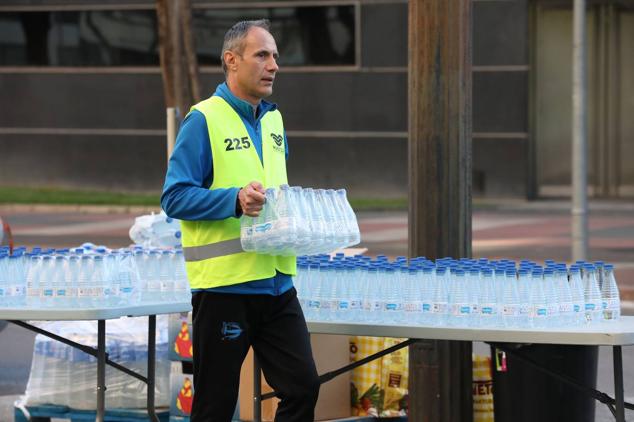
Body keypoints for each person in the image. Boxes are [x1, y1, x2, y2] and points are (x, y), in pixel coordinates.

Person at [161, 20, 320, 422]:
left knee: (303, 387)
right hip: (224, 289)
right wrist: (233, 200)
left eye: (276, 56)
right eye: (262, 55)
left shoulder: (273, 121)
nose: (274, 65)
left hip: (277, 283)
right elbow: (173, 196)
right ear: (231, 61)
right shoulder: (203, 120)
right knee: (215, 405)